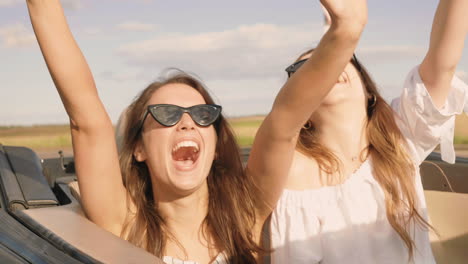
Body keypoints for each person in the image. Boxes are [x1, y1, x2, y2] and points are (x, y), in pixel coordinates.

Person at [27, 0, 369, 263]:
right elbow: (86, 119)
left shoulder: (245, 213)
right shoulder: (122, 222)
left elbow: (285, 121)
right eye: (166, 114)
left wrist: (346, 32)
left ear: (217, 146)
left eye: (204, 114)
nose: (187, 122)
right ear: (139, 149)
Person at [268, 0, 468, 263]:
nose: (327, 68)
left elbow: (442, 64)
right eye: (306, 69)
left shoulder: (401, 136)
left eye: (340, 58)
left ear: (367, 89)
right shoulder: (292, 176)